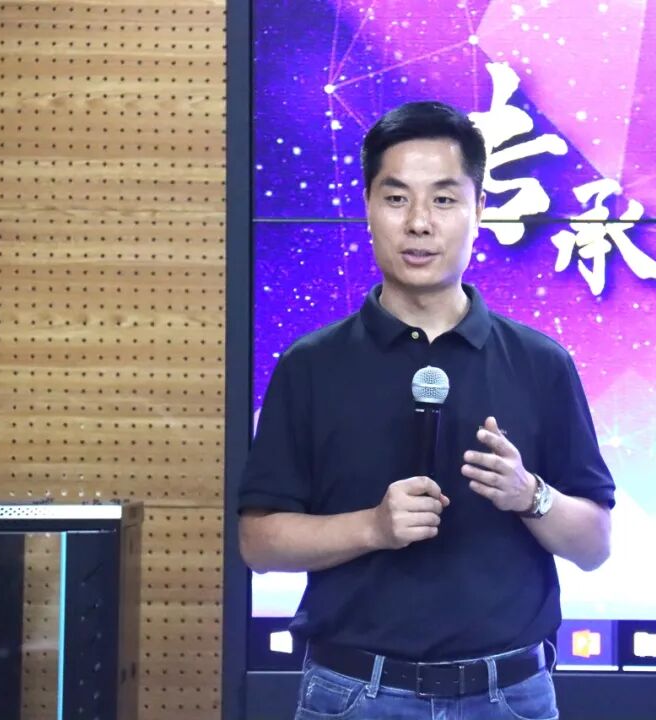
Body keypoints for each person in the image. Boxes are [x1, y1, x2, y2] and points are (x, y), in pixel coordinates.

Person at [238, 100, 615, 720]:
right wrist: (373, 528)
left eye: (443, 199)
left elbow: (594, 545)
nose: (419, 223)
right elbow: (259, 543)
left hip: (509, 696)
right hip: (353, 694)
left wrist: (530, 495)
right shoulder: (311, 365)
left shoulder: (541, 362)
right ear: (367, 207)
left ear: (479, 210)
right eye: (396, 199)